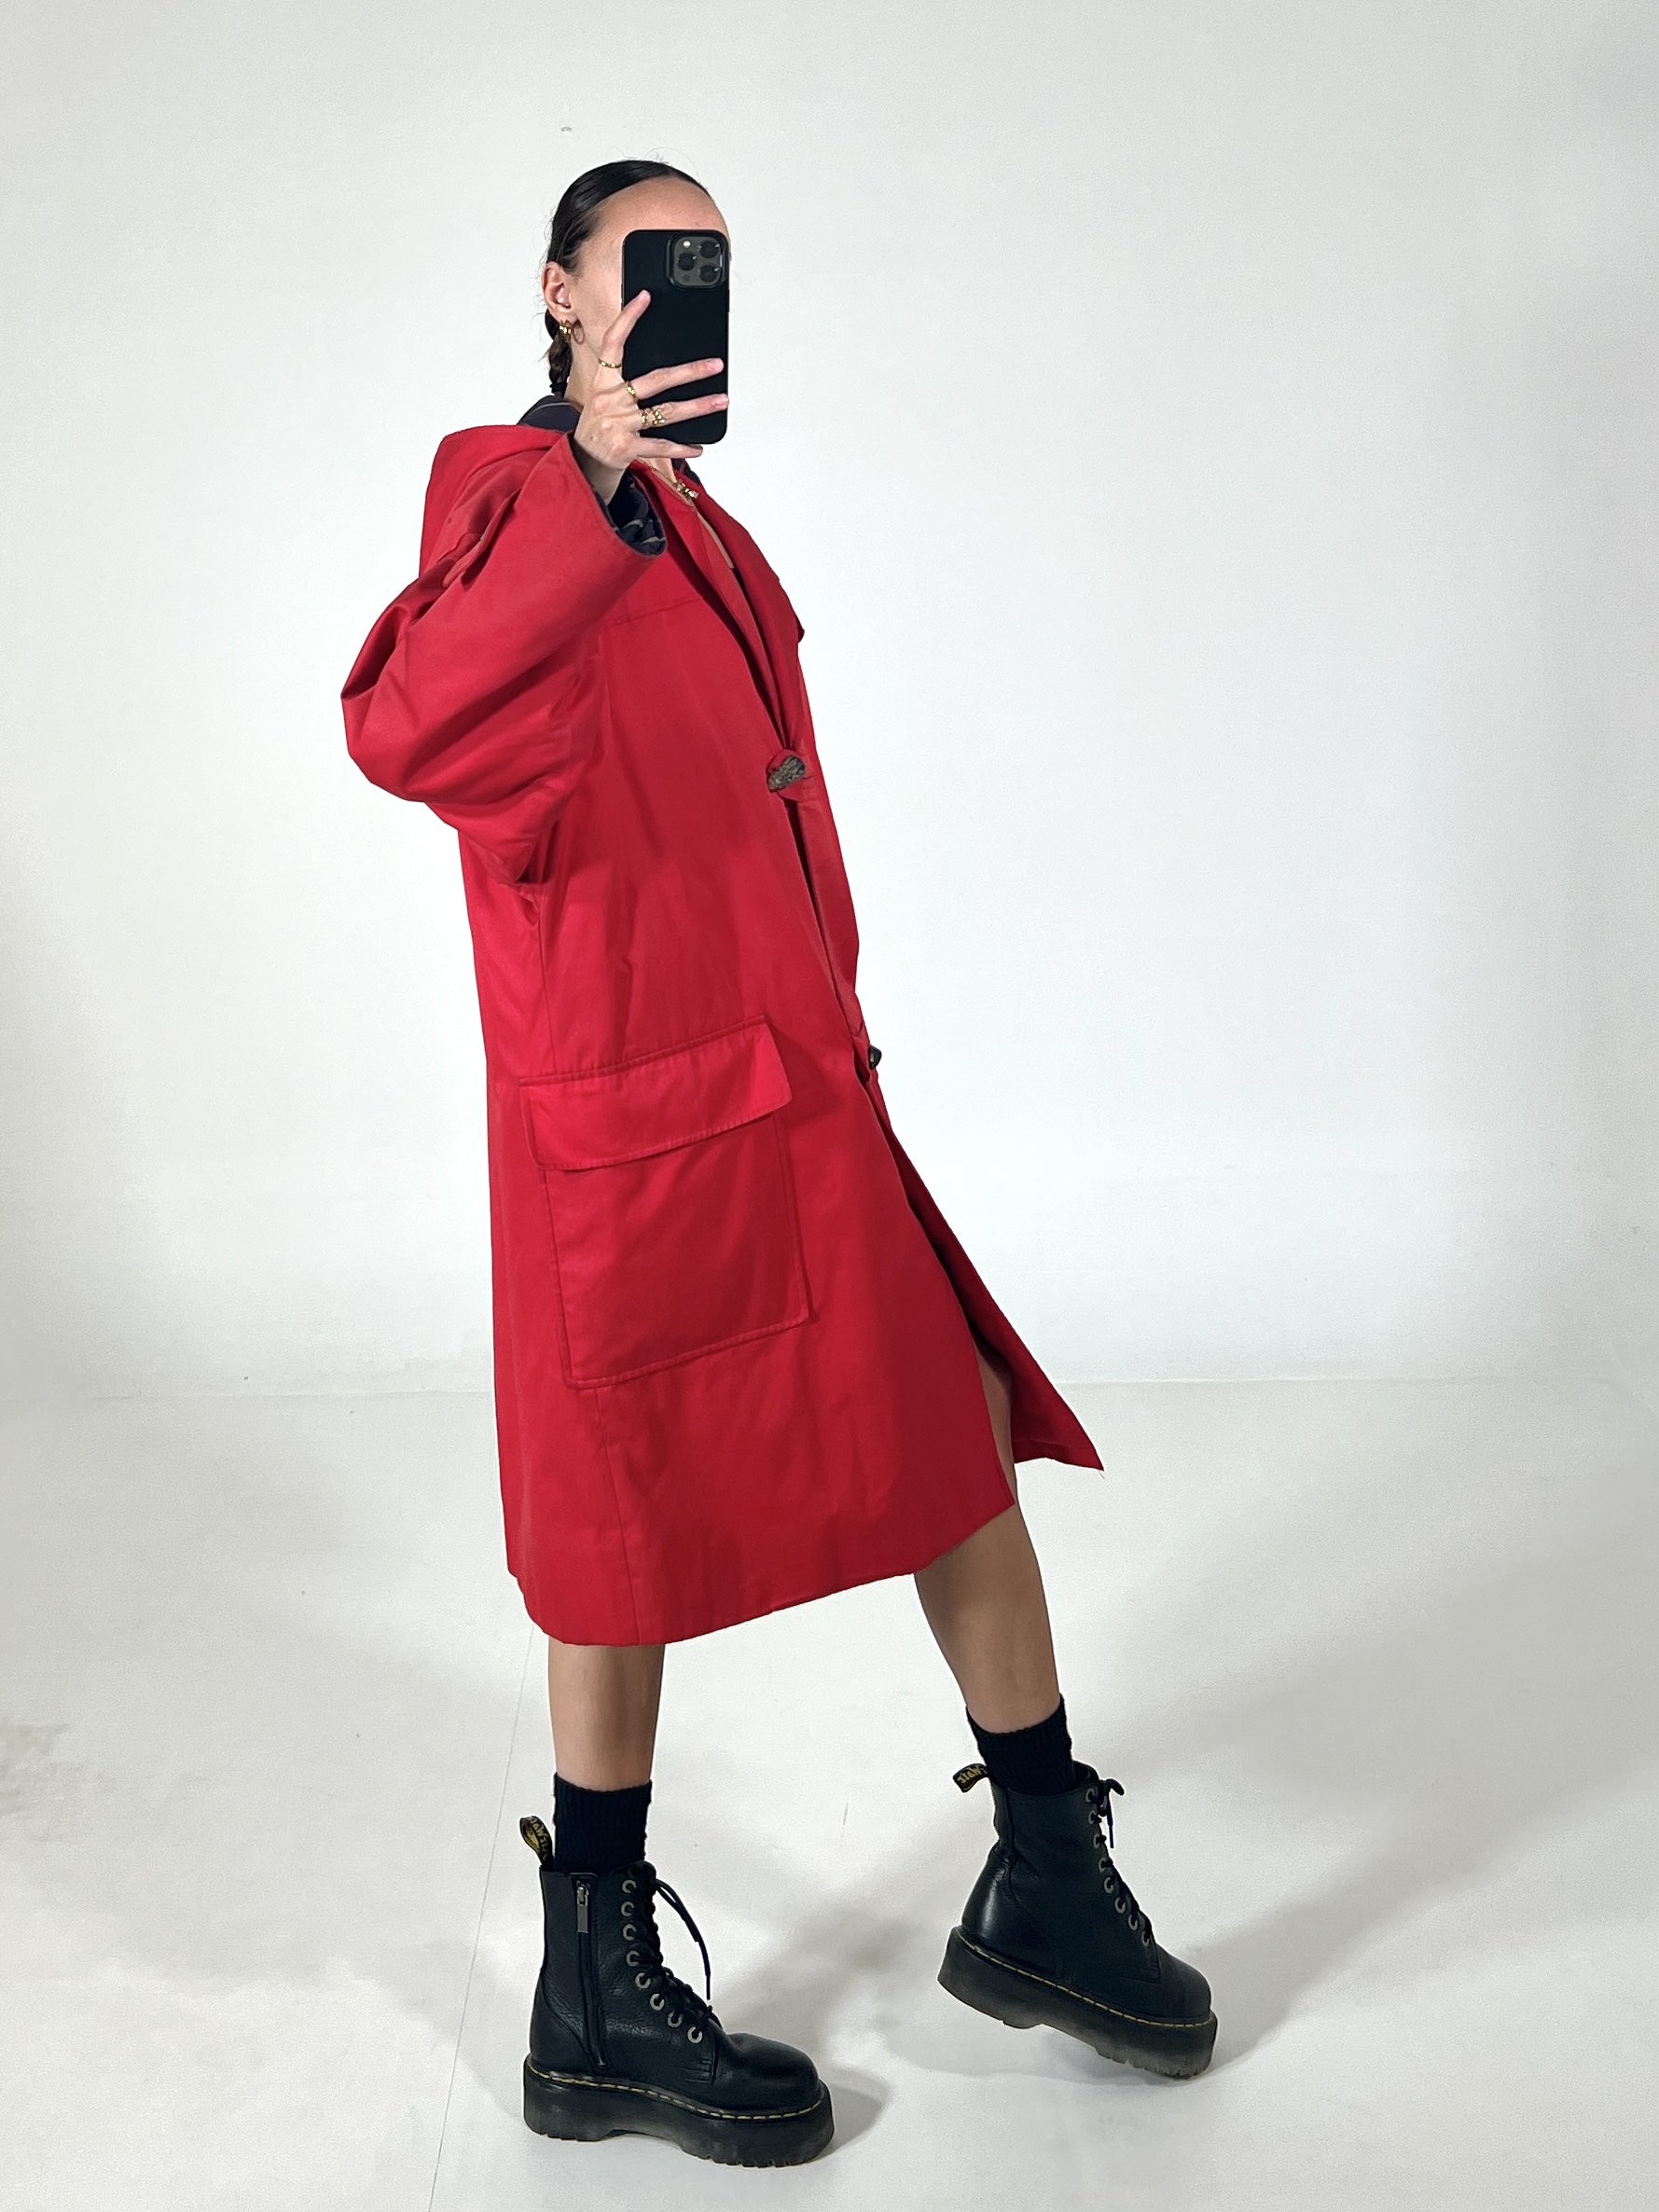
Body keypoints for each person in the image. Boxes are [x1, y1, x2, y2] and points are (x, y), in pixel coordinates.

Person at [341, 159, 1215, 2169]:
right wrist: (585, 473)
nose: (681, 294)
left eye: (711, 268)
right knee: (616, 1519)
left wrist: (631, 491)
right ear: (562, 293)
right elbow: (410, 729)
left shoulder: (695, 523)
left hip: (792, 1094)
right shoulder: (507, 498)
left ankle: (1042, 1874)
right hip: (634, 1125)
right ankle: (592, 1988)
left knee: (948, 1420)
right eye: (647, 264)